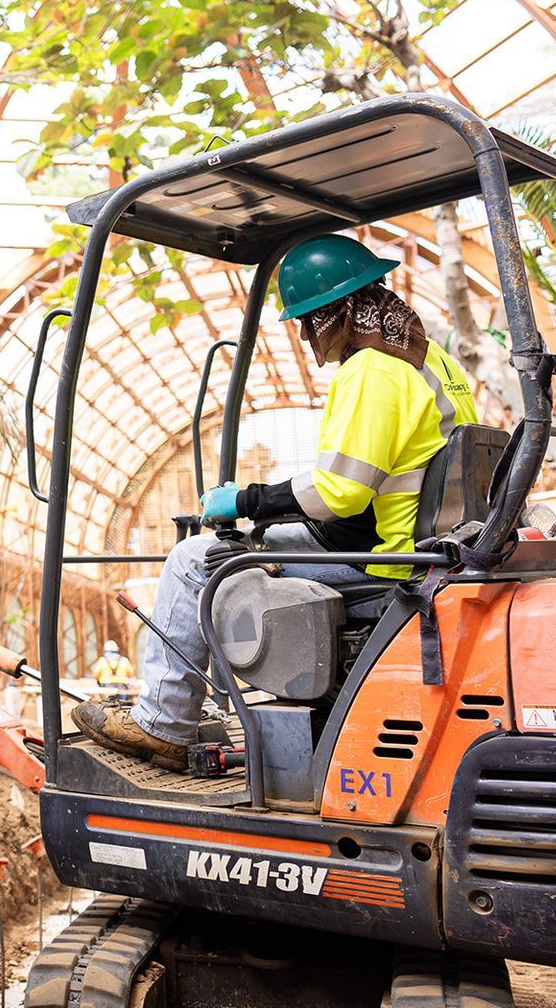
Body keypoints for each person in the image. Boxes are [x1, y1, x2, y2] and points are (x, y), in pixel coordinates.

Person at [76, 236, 477, 772]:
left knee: (195, 560)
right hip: (430, 549)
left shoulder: (371, 371)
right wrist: (269, 514)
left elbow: (341, 491)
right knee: (259, 544)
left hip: (391, 560)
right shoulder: (432, 361)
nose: (310, 333)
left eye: (313, 319)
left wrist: (246, 500)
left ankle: (163, 725)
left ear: (343, 311)